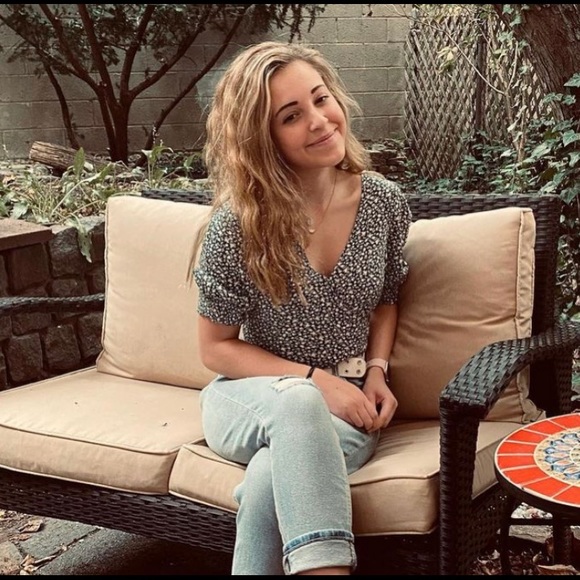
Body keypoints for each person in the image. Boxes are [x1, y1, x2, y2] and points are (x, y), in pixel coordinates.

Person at [192, 40, 411, 576]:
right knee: (298, 401)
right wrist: (316, 382)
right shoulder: (239, 225)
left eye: (320, 98)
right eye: (291, 116)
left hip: (348, 412)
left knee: (271, 475)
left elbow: (387, 299)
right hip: (251, 399)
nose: (319, 120)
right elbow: (215, 349)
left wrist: (376, 371)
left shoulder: (382, 202)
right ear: (261, 139)